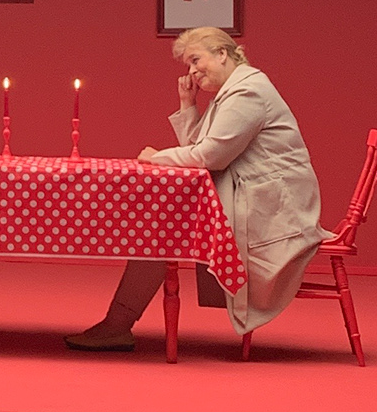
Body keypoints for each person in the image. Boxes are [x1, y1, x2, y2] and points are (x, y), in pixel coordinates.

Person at [65, 26, 322, 352]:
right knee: (160, 232)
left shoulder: (248, 93)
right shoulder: (234, 90)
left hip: (275, 214)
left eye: (196, 60)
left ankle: (117, 324)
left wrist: (156, 157)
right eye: (188, 65)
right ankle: (117, 324)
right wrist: (188, 102)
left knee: (159, 233)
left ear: (222, 54)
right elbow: (200, 149)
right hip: (255, 200)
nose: (191, 72)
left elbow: (209, 157)